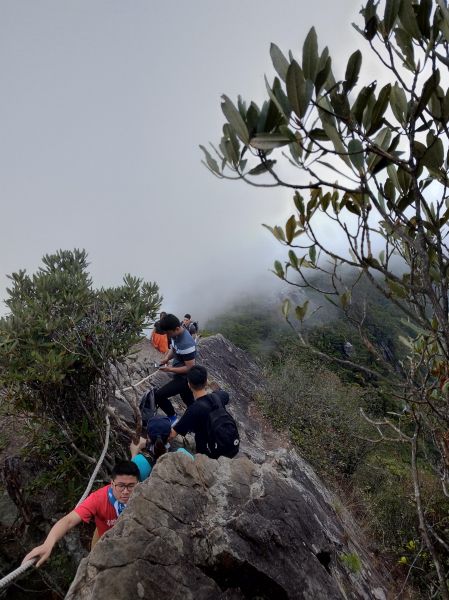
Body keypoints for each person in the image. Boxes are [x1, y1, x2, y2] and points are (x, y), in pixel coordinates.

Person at [22, 460, 144, 567]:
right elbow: (69, 520)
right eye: (121, 486)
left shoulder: (144, 495)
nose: (126, 491)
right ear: (112, 483)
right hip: (104, 538)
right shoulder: (98, 499)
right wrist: (48, 544)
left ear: (138, 484)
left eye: (131, 486)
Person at [169, 365, 231, 457]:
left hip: (210, 455)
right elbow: (226, 395)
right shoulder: (218, 396)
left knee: (179, 450)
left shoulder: (193, 410)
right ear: (206, 382)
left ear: (189, 384)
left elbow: (172, 435)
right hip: (230, 445)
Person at [148, 314, 197, 425]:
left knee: (159, 395)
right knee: (189, 401)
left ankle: (173, 418)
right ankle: (195, 422)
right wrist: (166, 359)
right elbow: (173, 349)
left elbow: (190, 368)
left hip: (185, 378)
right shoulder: (175, 335)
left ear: (177, 328)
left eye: (169, 333)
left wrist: (170, 369)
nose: (168, 336)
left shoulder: (186, 343)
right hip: (179, 373)